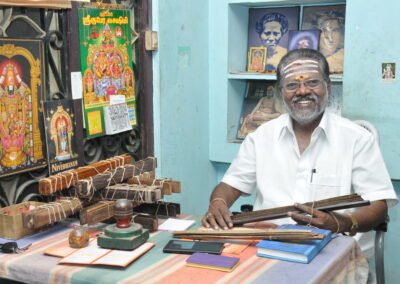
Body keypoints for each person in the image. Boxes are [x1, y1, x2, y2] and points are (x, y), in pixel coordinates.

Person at [203, 49, 398, 261]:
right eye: (292, 85)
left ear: (328, 86)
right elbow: (231, 185)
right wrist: (218, 202)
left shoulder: (357, 139)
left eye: (313, 82)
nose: (303, 91)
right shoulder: (261, 137)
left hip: (335, 251)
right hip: (268, 246)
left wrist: (341, 223)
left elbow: (378, 206)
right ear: (281, 92)